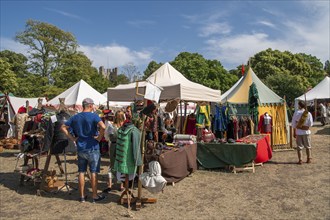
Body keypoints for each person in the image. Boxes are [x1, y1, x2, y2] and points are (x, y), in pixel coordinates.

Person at [61, 98, 106, 203]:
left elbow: (63, 127)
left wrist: (72, 138)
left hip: (81, 147)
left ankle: (82, 196)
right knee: (94, 172)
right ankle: (94, 196)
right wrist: (99, 138)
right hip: (93, 147)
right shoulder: (94, 116)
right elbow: (103, 127)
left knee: (81, 171)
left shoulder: (75, 117)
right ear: (90, 105)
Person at [103, 110, 125, 193]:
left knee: (112, 165)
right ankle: (121, 185)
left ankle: (110, 184)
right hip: (122, 146)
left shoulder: (111, 126)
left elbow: (106, 137)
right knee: (121, 165)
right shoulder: (125, 127)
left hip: (113, 146)